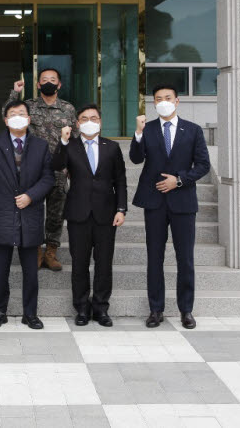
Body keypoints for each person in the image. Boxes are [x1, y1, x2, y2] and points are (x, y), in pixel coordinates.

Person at [129, 85, 210, 330]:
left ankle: (186, 310)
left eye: (167, 98)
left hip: (183, 202)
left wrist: (180, 180)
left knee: (185, 258)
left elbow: (203, 164)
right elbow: (135, 158)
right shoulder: (149, 129)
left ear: (177, 101)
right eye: (158, 99)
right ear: (153, 103)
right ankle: (156, 309)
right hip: (154, 202)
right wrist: (138, 133)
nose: (163, 102)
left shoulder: (193, 130)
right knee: (155, 257)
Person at [0, 100, 55, 329]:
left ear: (29, 118)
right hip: (3, 214)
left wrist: (31, 196)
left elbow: (48, 178)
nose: (18, 117)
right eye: (13, 114)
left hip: (30, 213)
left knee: (30, 271)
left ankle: (30, 314)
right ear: (6, 120)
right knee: (0, 270)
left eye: (22, 113)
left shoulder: (40, 145)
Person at [51, 104, 127, 327]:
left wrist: (121, 209)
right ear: (77, 123)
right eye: (84, 118)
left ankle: (101, 308)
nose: (89, 121)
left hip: (106, 213)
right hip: (78, 214)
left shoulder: (112, 147)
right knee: (80, 264)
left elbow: (120, 180)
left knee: (104, 263)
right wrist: (63, 141)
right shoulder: (70, 146)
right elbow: (56, 165)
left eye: (93, 118)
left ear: (100, 122)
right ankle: (82, 308)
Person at [7, 69, 77, 272]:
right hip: (32, 170)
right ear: (38, 85)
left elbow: (75, 140)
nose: (48, 83)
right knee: (32, 212)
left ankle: (51, 252)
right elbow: (9, 114)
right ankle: (36, 250)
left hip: (59, 169)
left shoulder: (68, 109)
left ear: (59, 84)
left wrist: (72, 167)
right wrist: (15, 93)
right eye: (44, 80)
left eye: (52, 80)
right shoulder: (27, 106)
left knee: (56, 212)